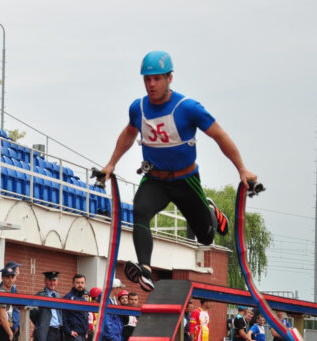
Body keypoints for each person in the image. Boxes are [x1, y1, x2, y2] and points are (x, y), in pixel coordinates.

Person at [101, 51, 256, 291]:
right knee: (139, 210)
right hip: (155, 179)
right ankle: (145, 269)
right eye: (147, 79)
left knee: (205, 238)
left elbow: (219, 136)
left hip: (186, 180)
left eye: (157, 79)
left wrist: (242, 170)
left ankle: (211, 211)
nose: (151, 84)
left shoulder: (188, 108)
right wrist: (111, 164)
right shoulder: (138, 108)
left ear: (169, 78)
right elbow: (129, 133)